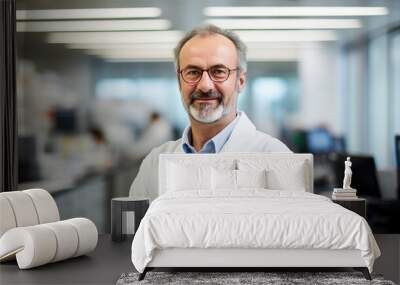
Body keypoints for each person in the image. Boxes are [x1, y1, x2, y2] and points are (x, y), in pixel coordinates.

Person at [129, 25, 291, 201]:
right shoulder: (154, 164)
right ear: (179, 82)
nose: (205, 85)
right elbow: (136, 229)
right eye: (193, 72)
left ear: (241, 81)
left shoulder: (276, 158)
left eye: (219, 72)